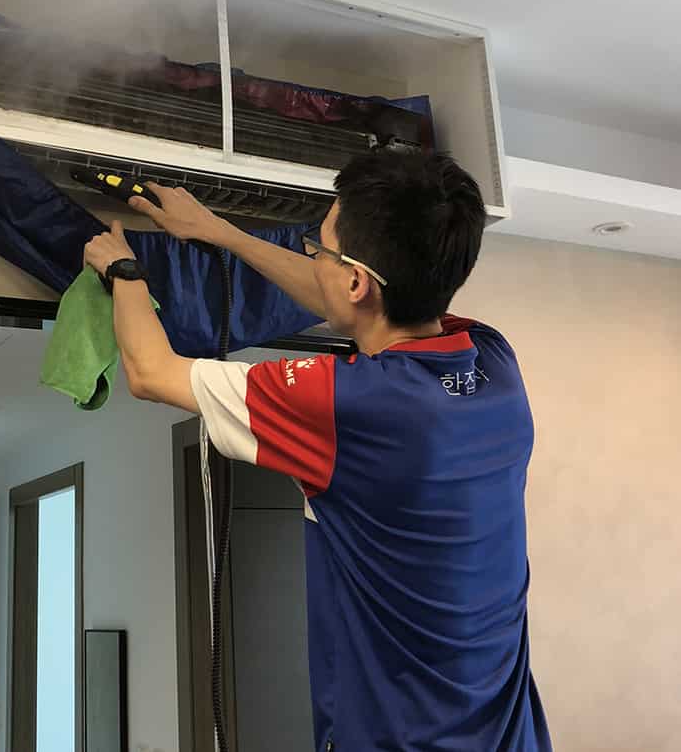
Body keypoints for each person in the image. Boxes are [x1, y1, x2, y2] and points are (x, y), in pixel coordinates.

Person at [83, 151, 551, 752]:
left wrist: (123, 270)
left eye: (320, 249)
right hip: (508, 735)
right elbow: (352, 301)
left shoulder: (344, 404)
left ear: (356, 279)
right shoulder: (492, 361)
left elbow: (152, 372)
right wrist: (219, 232)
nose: (314, 260)